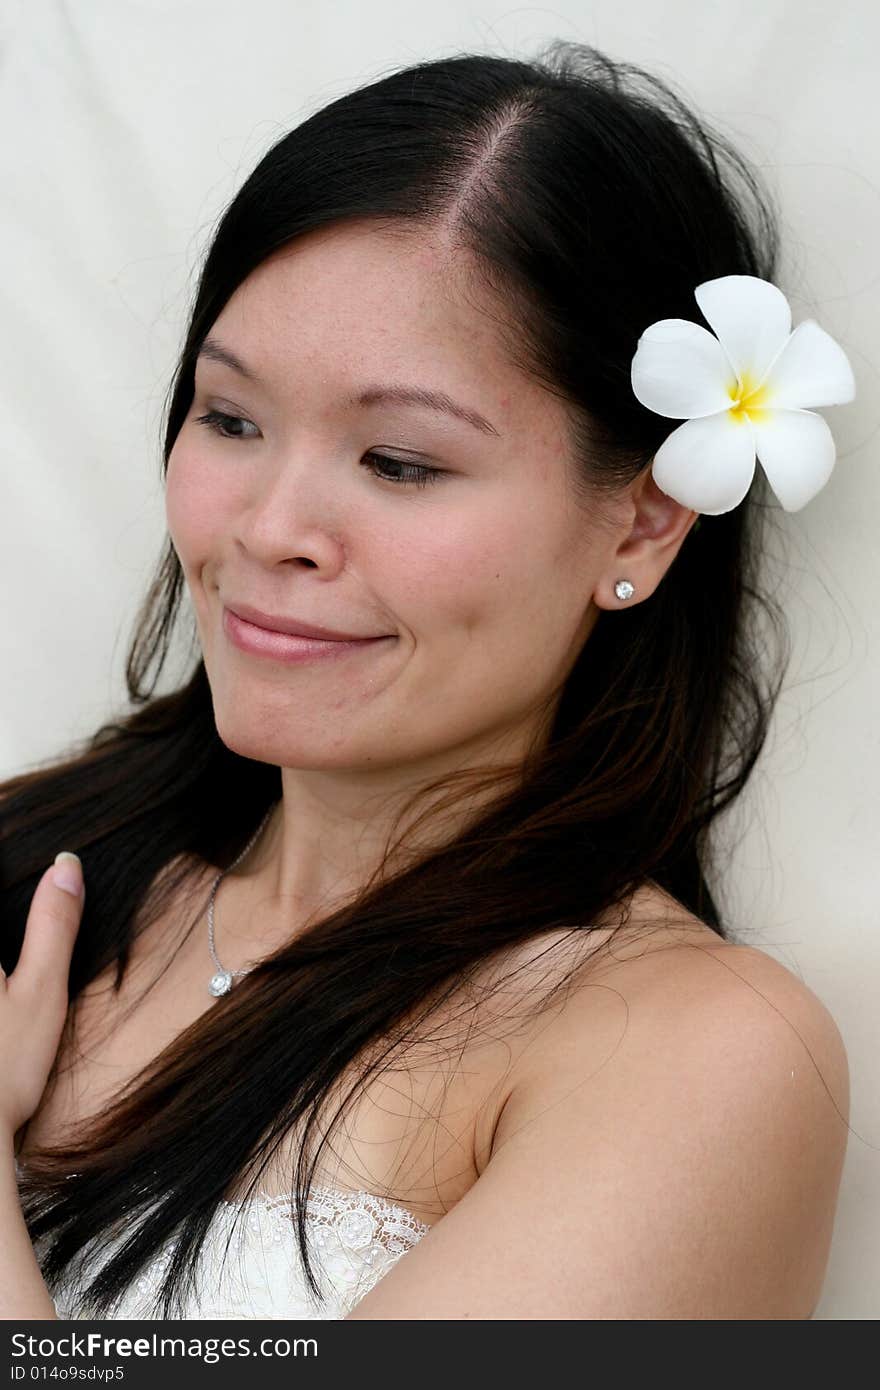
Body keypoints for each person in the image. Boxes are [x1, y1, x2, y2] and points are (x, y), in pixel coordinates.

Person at [1, 42, 853, 1321]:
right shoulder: (41, 869)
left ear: (641, 524)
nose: (267, 526)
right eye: (229, 419)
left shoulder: (692, 1052)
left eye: (398, 461)